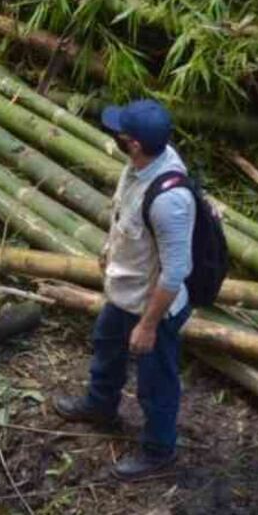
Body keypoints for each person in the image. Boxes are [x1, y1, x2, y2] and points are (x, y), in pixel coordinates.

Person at [52, 100, 196, 481]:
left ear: (133, 144)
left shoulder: (170, 201)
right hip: (126, 290)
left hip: (156, 306)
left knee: (156, 380)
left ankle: (158, 450)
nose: (114, 136)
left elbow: (175, 272)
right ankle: (101, 405)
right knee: (106, 344)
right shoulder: (141, 165)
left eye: (120, 134)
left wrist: (148, 325)